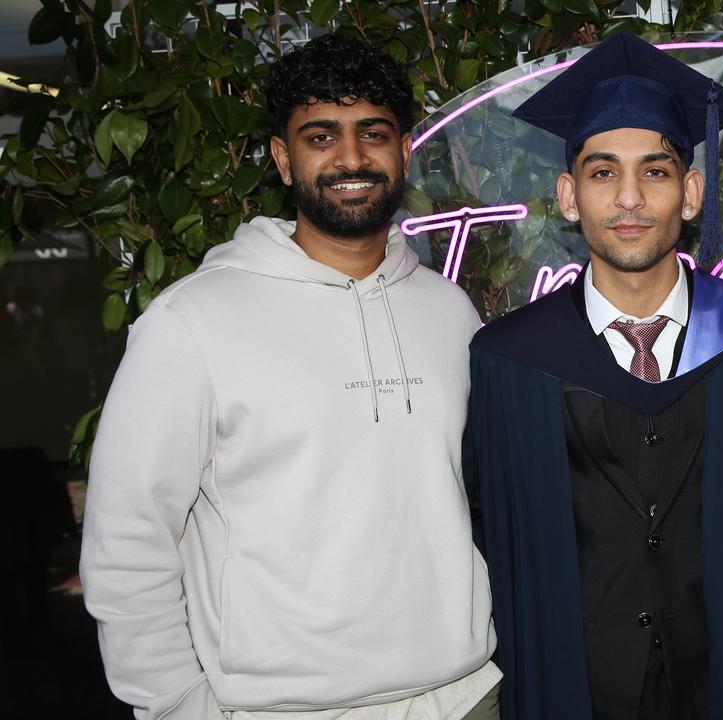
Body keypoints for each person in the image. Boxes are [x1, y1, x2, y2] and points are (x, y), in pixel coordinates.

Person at [80, 34, 500, 720]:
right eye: (320, 136)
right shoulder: (193, 321)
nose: (352, 157)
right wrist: (180, 706)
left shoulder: (449, 311)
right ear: (282, 158)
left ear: (404, 152)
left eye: (374, 132)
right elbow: (127, 542)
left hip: (470, 697)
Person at [465, 31, 723, 720]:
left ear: (690, 191)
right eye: (601, 172)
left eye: (655, 171)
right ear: (567, 196)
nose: (628, 198)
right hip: (575, 691)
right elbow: (494, 543)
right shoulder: (509, 360)